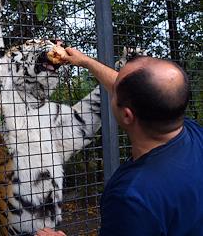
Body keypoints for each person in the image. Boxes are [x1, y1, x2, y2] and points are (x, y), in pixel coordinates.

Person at [36, 48, 203, 236]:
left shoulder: (132, 196)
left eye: (116, 90)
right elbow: (133, 90)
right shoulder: (194, 134)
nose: (113, 84)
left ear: (127, 115)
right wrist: (86, 61)